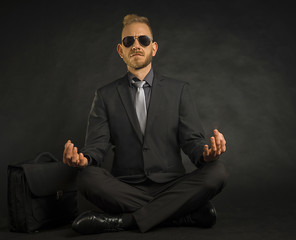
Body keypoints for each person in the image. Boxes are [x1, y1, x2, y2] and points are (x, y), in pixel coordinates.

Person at [62, 14, 228, 234]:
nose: (136, 45)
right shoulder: (105, 96)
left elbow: (192, 142)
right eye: (129, 41)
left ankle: (123, 221)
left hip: (172, 185)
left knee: (217, 172)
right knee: (87, 178)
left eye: (144, 40)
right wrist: (83, 159)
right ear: (121, 50)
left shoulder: (179, 90)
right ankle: (177, 214)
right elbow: (96, 147)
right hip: (125, 188)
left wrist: (207, 156)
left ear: (154, 48)